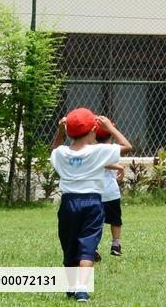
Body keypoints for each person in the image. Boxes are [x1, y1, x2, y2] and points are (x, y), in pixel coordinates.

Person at [50, 108, 132, 302]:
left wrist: (60, 131)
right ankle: (82, 290)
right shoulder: (99, 151)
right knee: (87, 246)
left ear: (69, 131)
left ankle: (70, 286)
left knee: (69, 245)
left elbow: (54, 149)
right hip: (93, 203)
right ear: (94, 130)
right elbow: (127, 146)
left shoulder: (61, 153)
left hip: (69, 204)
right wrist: (110, 127)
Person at [94, 119, 126, 257]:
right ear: (111, 134)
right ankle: (115, 243)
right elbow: (103, 162)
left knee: (95, 222)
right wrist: (119, 167)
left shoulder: (91, 148)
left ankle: (93, 247)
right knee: (116, 220)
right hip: (111, 192)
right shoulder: (112, 148)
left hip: (95, 192)